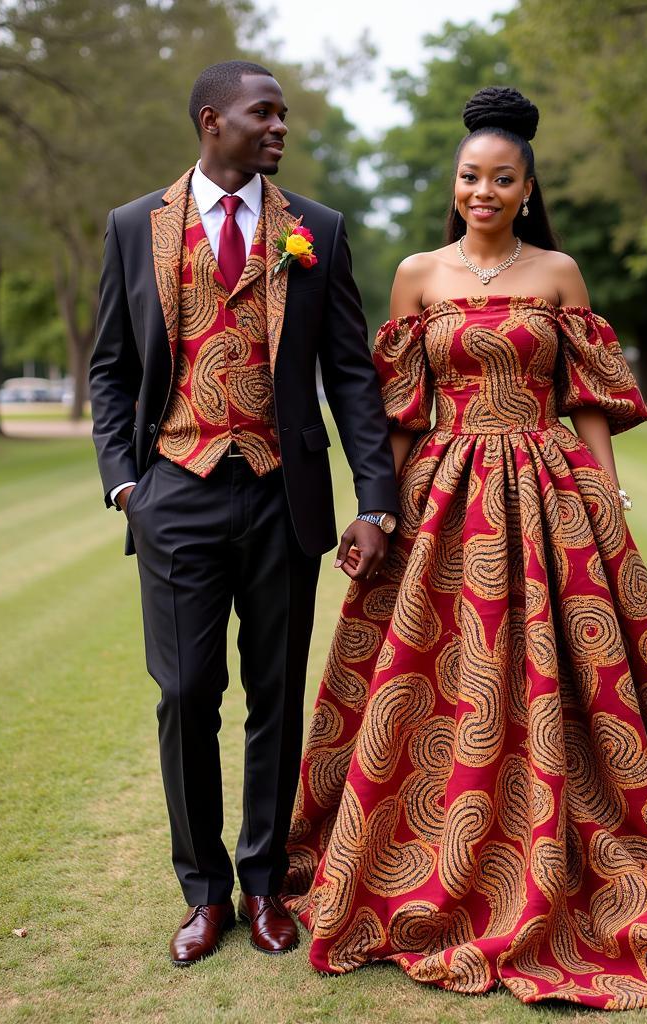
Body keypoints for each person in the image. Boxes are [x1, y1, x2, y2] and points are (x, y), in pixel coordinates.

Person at [285, 87, 647, 1010]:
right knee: (437, 675)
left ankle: (583, 845)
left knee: (575, 674)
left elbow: (589, 400)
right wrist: (382, 511)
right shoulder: (417, 276)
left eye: (501, 179)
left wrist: (606, 493)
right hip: (443, 498)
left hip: (549, 492)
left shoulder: (561, 274)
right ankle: (424, 852)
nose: (482, 191)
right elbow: (399, 412)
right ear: (454, 184)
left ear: (527, 188)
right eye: (469, 177)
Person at [89, 60, 399, 966]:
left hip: (281, 490)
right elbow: (110, 368)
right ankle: (203, 891)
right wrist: (125, 486)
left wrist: (374, 499)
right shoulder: (130, 227)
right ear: (210, 119)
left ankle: (264, 886)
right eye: (264, 114)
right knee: (186, 693)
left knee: (275, 695)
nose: (279, 128)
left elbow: (349, 373)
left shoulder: (319, 232)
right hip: (173, 489)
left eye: (284, 116)